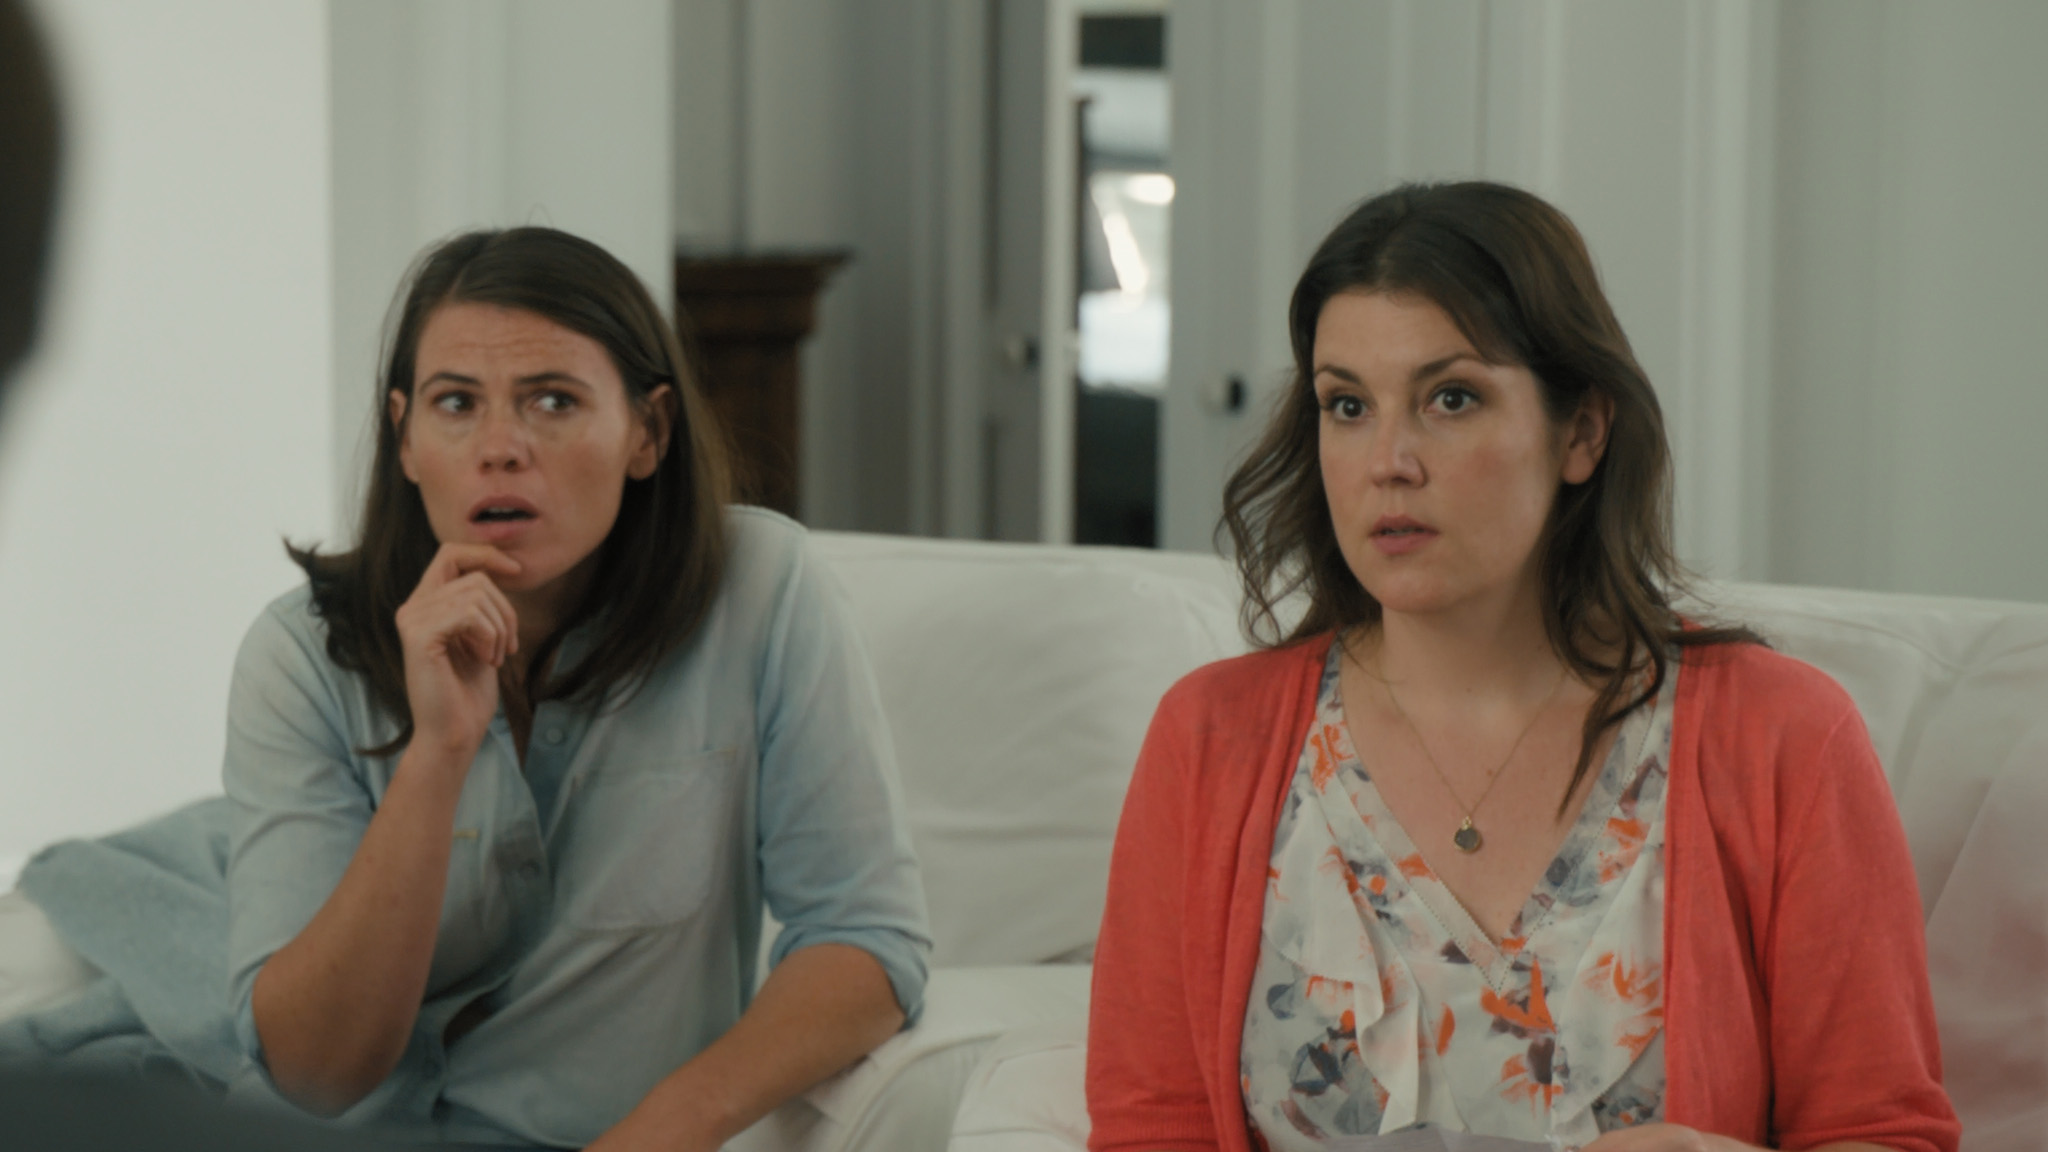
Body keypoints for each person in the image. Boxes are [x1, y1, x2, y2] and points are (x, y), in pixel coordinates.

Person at [1, 226, 931, 1151]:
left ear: (647, 433)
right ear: (405, 437)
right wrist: (438, 754)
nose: (500, 448)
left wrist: (666, 1129)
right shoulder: (298, 655)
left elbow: (865, 941)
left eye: (553, 401)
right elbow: (314, 1076)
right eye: (456, 403)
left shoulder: (761, 591)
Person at [1085, 182, 1958, 1152]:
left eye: (1450, 399)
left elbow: (1883, 1129)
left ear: (1580, 432)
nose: (1387, 461)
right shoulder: (1211, 740)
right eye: (1347, 405)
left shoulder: (1783, 738)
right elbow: (1147, 1129)